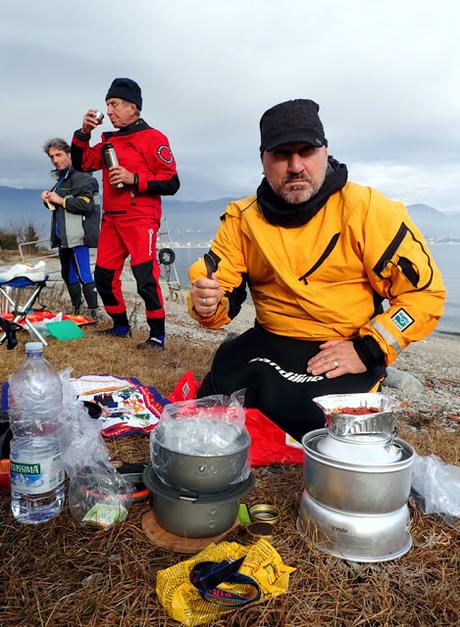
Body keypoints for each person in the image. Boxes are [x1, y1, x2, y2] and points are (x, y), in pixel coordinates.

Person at [188, 99, 446, 442]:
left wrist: (367, 349)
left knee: (320, 430)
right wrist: (207, 304)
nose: (295, 166)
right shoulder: (243, 218)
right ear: (263, 160)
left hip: (342, 346)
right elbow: (221, 296)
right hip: (270, 342)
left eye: (306, 150)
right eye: (281, 154)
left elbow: (424, 296)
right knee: (211, 411)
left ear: (325, 151)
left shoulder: (368, 210)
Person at [71, 77, 180, 349]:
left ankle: (157, 335)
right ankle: (121, 326)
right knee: (104, 278)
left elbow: (172, 182)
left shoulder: (154, 138)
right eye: (108, 104)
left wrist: (135, 179)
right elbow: (82, 163)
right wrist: (84, 132)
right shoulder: (109, 140)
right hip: (112, 220)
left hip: (142, 218)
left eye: (115, 104)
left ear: (133, 107)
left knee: (145, 278)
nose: (109, 111)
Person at [41, 138, 100, 318]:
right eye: (52, 157)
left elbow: (86, 205)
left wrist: (59, 199)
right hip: (63, 238)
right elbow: (59, 206)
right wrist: (48, 200)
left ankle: (92, 313)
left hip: (77, 236)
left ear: (69, 154)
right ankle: (77, 311)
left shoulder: (82, 176)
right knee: (68, 275)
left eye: (58, 155)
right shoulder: (61, 180)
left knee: (83, 274)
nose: (55, 160)